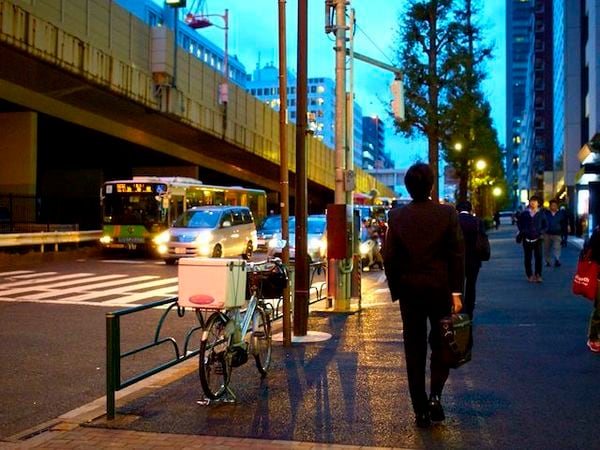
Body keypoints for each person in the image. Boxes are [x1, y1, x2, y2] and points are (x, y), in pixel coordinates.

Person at [383, 163, 465, 429]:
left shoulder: (396, 217)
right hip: (440, 290)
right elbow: (456, 255)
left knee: (414, 348)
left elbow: (390, 257)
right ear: (431, 185)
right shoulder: (447, 214)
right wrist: (456, 292)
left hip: (410, 292)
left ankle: (419, 410)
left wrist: (397, 288)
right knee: (441, 343)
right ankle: (435, 396)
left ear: (407, 186)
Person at [457, 201, 487, 320]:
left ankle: (459, 308)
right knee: (471, 285)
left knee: (458, 286)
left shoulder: (454, 220)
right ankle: (469, 310)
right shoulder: (477, 221)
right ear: (470, 209)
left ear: (457, 209)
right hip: (474, 258)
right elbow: (483, 237)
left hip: (458, 259)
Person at [517, 195, 548, 283]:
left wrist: (541, 232)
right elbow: (519, 223)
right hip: (526, 239)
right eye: (531, 201)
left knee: (538, 258)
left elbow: (546, 225)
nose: (533, 203)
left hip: (538, 239)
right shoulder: (524, 213)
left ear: (538, 204)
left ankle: (538, 275)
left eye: (535, 201)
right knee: (527, 258)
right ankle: (529, 275)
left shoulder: (541, 214)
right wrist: (523, 231)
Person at [585, 226, 600, 353]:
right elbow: (590, 251)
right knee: (599, 308)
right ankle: (593, 337)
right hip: (599, 275)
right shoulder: (598, 231)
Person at [542, 199, 567, 267]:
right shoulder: (546, 213)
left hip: (557, 233)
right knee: (547, 248)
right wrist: (542, 231)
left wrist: (564, 233)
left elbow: (563, 223)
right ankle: (547, 261)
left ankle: (557, 259)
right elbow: (542, 222)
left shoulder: (560, 214)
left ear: (557, 206)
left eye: (555, 205)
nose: (554, 207)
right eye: (552, 205)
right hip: (547, 233)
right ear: (550, 206)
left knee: (557, 247)